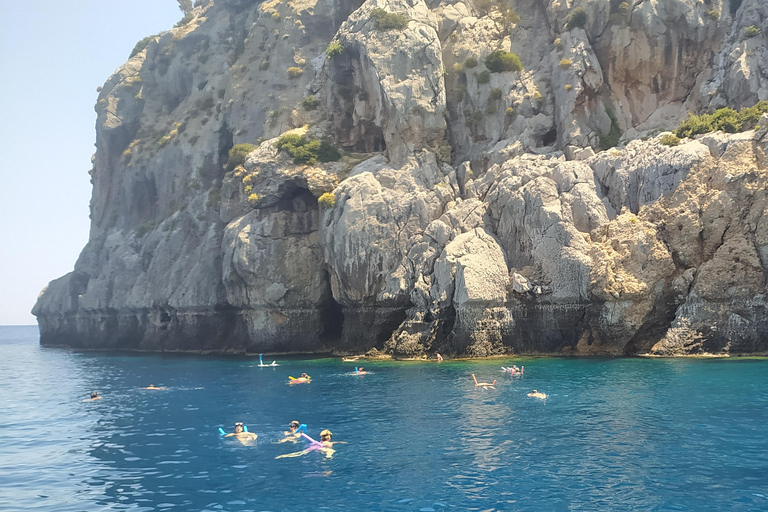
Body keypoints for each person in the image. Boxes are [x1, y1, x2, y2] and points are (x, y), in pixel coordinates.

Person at [275, 429, 344, 460]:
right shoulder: (329, 443)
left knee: (300, 453)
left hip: (314, 447)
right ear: (329, 438)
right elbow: (328, 444)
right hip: (322, 448)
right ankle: (328, 458)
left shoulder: (322, 442)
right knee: (331, 451)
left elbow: (326, 443)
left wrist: (339, 442)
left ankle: (284, 455)